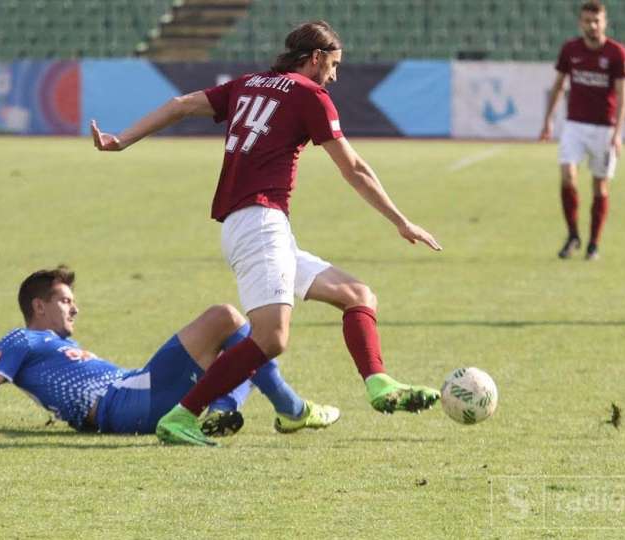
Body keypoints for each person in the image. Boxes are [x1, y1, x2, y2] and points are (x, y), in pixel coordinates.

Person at [91, 20, 442, 446]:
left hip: (257, 226)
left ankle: (379, 382)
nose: (334, 75)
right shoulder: (311, 95)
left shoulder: (248, 83)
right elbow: (354, 168)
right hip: (259, 224)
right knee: (272, 338)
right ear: (315, 58)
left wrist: (122, 140)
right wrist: (401, 220)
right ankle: (182, 415)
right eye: (332, 65)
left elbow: (181, 104)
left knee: (357, 294)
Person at [0, 267, 339, 442]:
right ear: (38, 306)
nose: (74, 309)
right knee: (226, 319)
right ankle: (289, 410)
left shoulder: (62, 347)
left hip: (132, 393)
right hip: (123, 399)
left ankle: (225, 410)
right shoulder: (22, 339)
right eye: (65, 301)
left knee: (242, 356)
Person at [539, 0, 625, 260]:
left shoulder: (617, 53)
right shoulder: (570, 50)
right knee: (568, 176)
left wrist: (619, 132)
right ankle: (572, 235)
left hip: (604, 128)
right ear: (581, 22)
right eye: (587, 21)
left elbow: (623, 95)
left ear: (605, 22)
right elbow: (558, 86)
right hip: (574, 125)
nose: (592, 25)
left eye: (596, 21)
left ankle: (593, 244)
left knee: (600, 187)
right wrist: (548, 119)